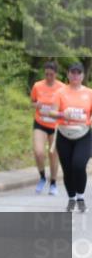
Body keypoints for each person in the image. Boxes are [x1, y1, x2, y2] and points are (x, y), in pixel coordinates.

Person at [47, 63, 92, 212]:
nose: (75, 75)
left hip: (83, 134)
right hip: (64, 134)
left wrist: (88, 120)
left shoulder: (89, 93)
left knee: (78, 165)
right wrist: (62, 114)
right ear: (68, 75)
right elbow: (51, 112)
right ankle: (72, 198)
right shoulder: (60, 92)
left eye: (78, 72)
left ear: (83, 76)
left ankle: (81, 196)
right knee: (67, 169)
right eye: (72, 72)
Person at [31, 61, 64, 195]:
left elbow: (66, 105)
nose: (48, 77)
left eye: (51, 74)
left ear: (56, 74)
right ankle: (42, 177)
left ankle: (53, 183)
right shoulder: (37, 86)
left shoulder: (62, 88)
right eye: (46, 74)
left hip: (55, 125)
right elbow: (32, 102)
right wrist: (36, 105)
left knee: (53, 154)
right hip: (40, 122)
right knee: (39, 152)